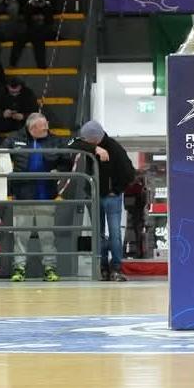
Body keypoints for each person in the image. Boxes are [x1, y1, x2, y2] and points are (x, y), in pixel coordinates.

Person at [70, 119, 136, 281]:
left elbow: (129, 173)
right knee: (98, 234)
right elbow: (72, 144)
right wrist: (95, 149)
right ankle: (103, 266)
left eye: (87, 139)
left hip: (111, 197)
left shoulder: (115, 149)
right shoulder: (91, 145)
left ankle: (116, 267)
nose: (83, 142)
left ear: (94, 138)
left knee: (114, 234)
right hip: (94, 195)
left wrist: (116, 190)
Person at [7, 112, 64, 282]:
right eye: (43, 127)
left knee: (47, 235)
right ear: (32, 128)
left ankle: (50, 268)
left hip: (46, 194)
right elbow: (0, 156)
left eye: (47, 125)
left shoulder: (54, 140)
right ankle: (19, 268)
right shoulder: (14, 139)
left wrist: (59, 170)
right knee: (20, 235)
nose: (47, 129)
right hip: (22, 194)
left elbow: (66, 159)